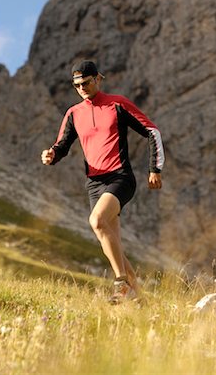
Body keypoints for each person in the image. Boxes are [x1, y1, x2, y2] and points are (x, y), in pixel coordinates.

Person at [41, 60, 165, 304]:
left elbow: (152, 131)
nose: (82, 88)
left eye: (86, 82)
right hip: (94, 184)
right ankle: (140, 297)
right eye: (76, 85)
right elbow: (62, 145)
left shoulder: (117, 104)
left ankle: (121, 285)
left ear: (98, 78)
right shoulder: (74, 113)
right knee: (112, 242)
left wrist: (155, 169)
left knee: (97, 221)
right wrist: (51, 155)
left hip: (120, 177)